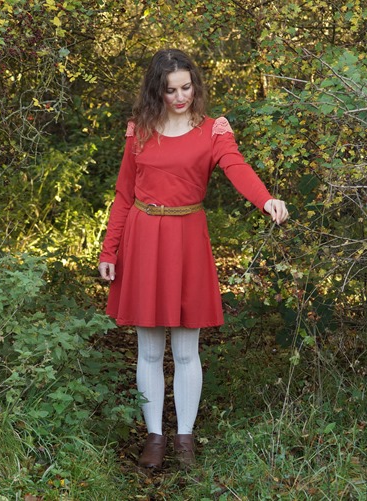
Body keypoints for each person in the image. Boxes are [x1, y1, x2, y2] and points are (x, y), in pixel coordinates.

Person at [97, 49, 288, 469]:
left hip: (187, 238)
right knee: (148, 350)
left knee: (186, 349)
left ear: (195, 86)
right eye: (171, 90)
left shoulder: (213, 130)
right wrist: (109, 249)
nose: (180, 96)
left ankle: (184, 440)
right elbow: (124, 195)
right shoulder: (140, 131)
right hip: (144, 238)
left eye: (186, 87)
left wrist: (265, 199)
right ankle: (154, 438)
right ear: (157, 91)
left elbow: (236, 167)